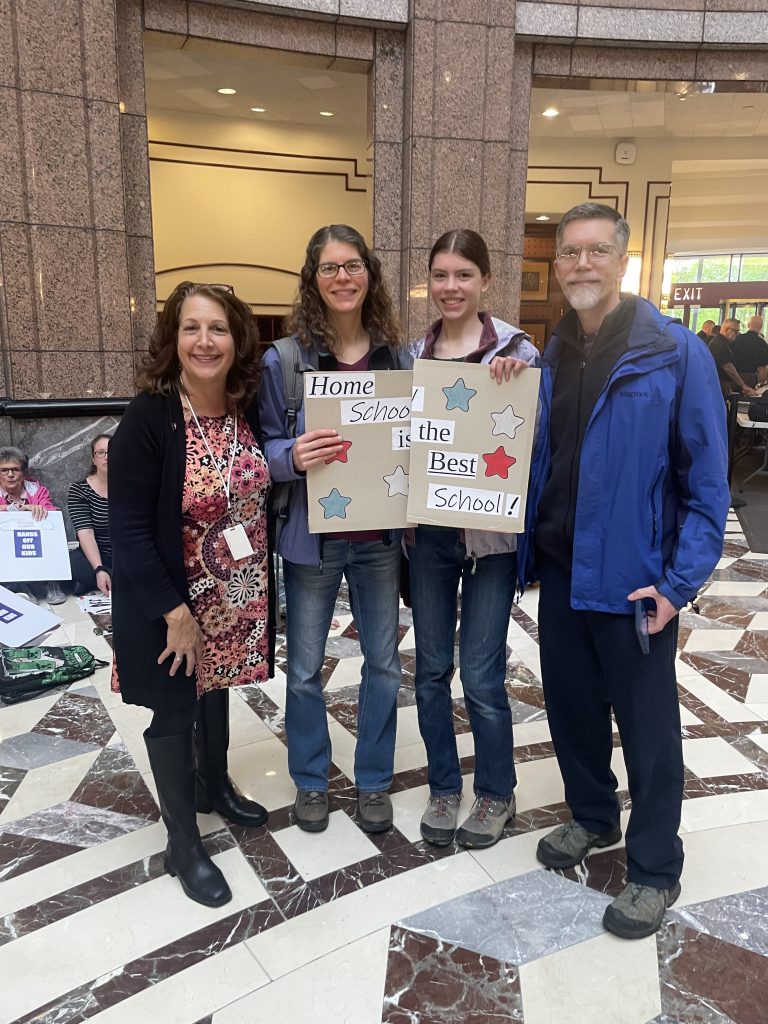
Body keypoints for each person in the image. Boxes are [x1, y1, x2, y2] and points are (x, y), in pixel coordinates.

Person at [519, 203, 729, 940]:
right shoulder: (553, 356)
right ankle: (592, 816)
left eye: (596, 251)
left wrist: (677, 586)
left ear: (622, 260)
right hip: (562, 571)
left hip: (637, 583)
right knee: (573, 710)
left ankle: (655, 869)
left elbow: (707, 484)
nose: (581, 264)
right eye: (570, 253)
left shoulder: (674, 352)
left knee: (648, 732)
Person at [109, 281, 275, 908]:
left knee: (216, 689)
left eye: (218, 329)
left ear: (238, 339)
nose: (205, 341)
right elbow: (127, 529)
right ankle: (182, 843)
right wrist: (174, 613)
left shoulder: (243, 405)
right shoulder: (149, 416)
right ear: (173, 339)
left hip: (231, 591)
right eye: (191, 328)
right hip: (172, 597)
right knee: (176, 708)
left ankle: (215, 786)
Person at [258, 224, 407, 834]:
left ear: (369, 273)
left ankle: (373, 782)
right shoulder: (284, 360)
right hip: (311, 541)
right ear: (312, 279)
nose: (342, 277)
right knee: (303, 670)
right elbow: (261, 446)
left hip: (380, 541)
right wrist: (292, 456)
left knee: (384, 666)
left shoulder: (400, 357)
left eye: (353, 266)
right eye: (329, 268)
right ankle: (311, 781)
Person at [407, 229, 539, 850]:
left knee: (482, 675)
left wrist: (519, 385)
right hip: (430, 536)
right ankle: (443, 785)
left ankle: (495, 791)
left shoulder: (518, 352)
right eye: (440, 275)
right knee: (430, 670)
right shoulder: (413, 356)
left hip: (492, 539)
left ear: (486, 280)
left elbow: (536, 442)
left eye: (463, 275)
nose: (450, 287)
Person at [0, 446, 65, 605]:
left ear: (23, 473)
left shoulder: (37, 490)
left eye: (15, 469)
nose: (10, 474)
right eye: (4, 470)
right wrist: (14, 508)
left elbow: (53, 514)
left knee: (47, 528)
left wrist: (41, 510)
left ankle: (51, 581)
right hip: (7, 547)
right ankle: (21, 586)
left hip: (33, 542)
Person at [68, 434, 112, 596]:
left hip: (126, 554)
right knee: (71, 562)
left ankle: (91, 582)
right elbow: (85, 532)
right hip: (95, 554)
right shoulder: (79, 489)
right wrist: (99, 569)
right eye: (101, 452)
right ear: (93, 459)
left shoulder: (131, 486)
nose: (107, 457)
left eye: (112, 452)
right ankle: (102, 577)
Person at [708, 318, 758, 399]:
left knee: (751, 377)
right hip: (718, 381)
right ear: (727, 329)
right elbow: (728, 367)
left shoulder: (724, 343)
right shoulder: (717, 344)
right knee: (748, 379)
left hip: (723, 379)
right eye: (736, 331)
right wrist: (743, 385)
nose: (737, 334)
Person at [732, 315, 768, 387]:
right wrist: (762, 383)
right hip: (750, 379)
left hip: (733, 376)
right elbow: (762, 368)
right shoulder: (762, 344)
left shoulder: (737, 339)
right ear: (761, 327)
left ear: (748, 325)